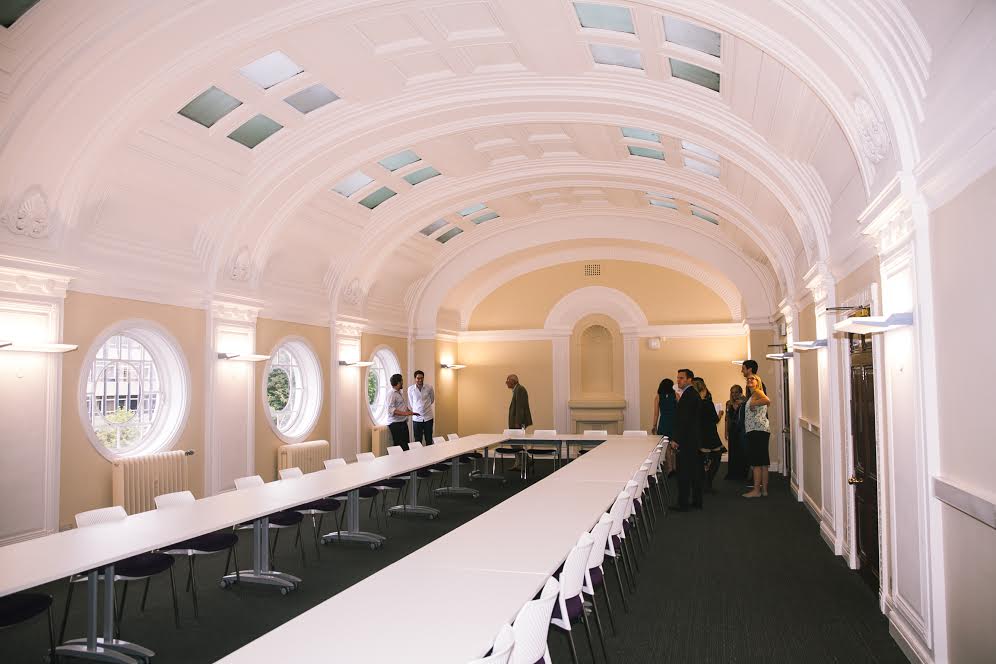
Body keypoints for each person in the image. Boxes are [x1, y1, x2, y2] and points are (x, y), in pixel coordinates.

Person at [671, 368, 703, 511]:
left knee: (684, 472)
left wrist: (676, 439)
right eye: (677, 378)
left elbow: (683, 421)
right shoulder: (692, 394)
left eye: (682, 378)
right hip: (692, 439)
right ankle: (696, 501)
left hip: (686, 440)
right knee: (694, 472)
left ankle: (683, 503)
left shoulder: (688, 395)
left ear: (690, 379)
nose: (678, 380)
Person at [693, 377, 724, 494]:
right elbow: (714, 419)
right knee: (716, 458)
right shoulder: (707, 403)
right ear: (703, 389)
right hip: (710, 433)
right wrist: (720, 414)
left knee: (701, 460)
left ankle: (701, 483)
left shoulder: (693, 403)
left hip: (699, 434)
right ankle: (708, 483)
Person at [743, 375, 771, 498]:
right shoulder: (753, 394)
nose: (749, 380)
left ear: (758, 382)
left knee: (757, 462)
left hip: (757, 430)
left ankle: (756, 491)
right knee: (763, 462)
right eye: (748, 379)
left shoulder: (757, 392)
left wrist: (754, 403)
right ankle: (764, 490)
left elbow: (767, 400)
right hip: (761, 430)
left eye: (752, 379)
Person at [387, 373, 418, 451]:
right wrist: (405, 413)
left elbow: (401, 406)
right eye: (401, 381)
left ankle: (406, 462)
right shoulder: (392, 394)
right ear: (398, 382)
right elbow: (391, 409)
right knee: (399, 447)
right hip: (396, 424)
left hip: (402, 422)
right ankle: (399, 463)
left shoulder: (399, 392)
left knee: (406, 446)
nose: (402, 383)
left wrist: (410, 411)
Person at [724, 384, 746, 481]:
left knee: (741, 452)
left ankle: (742, 474)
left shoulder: (744, 402)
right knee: (732, 452)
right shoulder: (728, 403)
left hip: (741, 430)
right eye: (732, 392)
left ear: (740, 392)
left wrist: (742, 401)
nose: (734, 394)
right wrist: (726, 431)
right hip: (732, 430)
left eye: (736, 392)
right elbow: (727, 418)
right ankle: (732, 473)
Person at [407, 369, 435, 445]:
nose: (420, 380)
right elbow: (411, 403)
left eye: (422, 378)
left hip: (428, 417)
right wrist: (418, 409)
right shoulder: (410, 389)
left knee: (429, 438)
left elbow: (432, 400)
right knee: (417, 440)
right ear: (415, 378)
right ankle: (418, 456)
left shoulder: (429, 387)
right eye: (418, 378)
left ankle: (430, 456)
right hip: (417, 418)